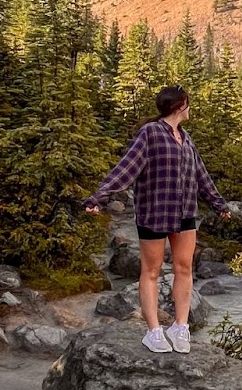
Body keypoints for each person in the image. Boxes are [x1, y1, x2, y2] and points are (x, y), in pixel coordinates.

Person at [84, 84, 230, 355]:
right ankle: (153, 331)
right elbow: (126, 168)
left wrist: (219, 204)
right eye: (188, 103)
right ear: (179, 106)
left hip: (185, 212)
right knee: (151, 271)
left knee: (184, 268)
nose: (190, 108)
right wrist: (99, 197)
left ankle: (180, 326)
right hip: (155, 212)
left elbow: (201, 176)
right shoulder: (149, 133)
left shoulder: (186, 139)